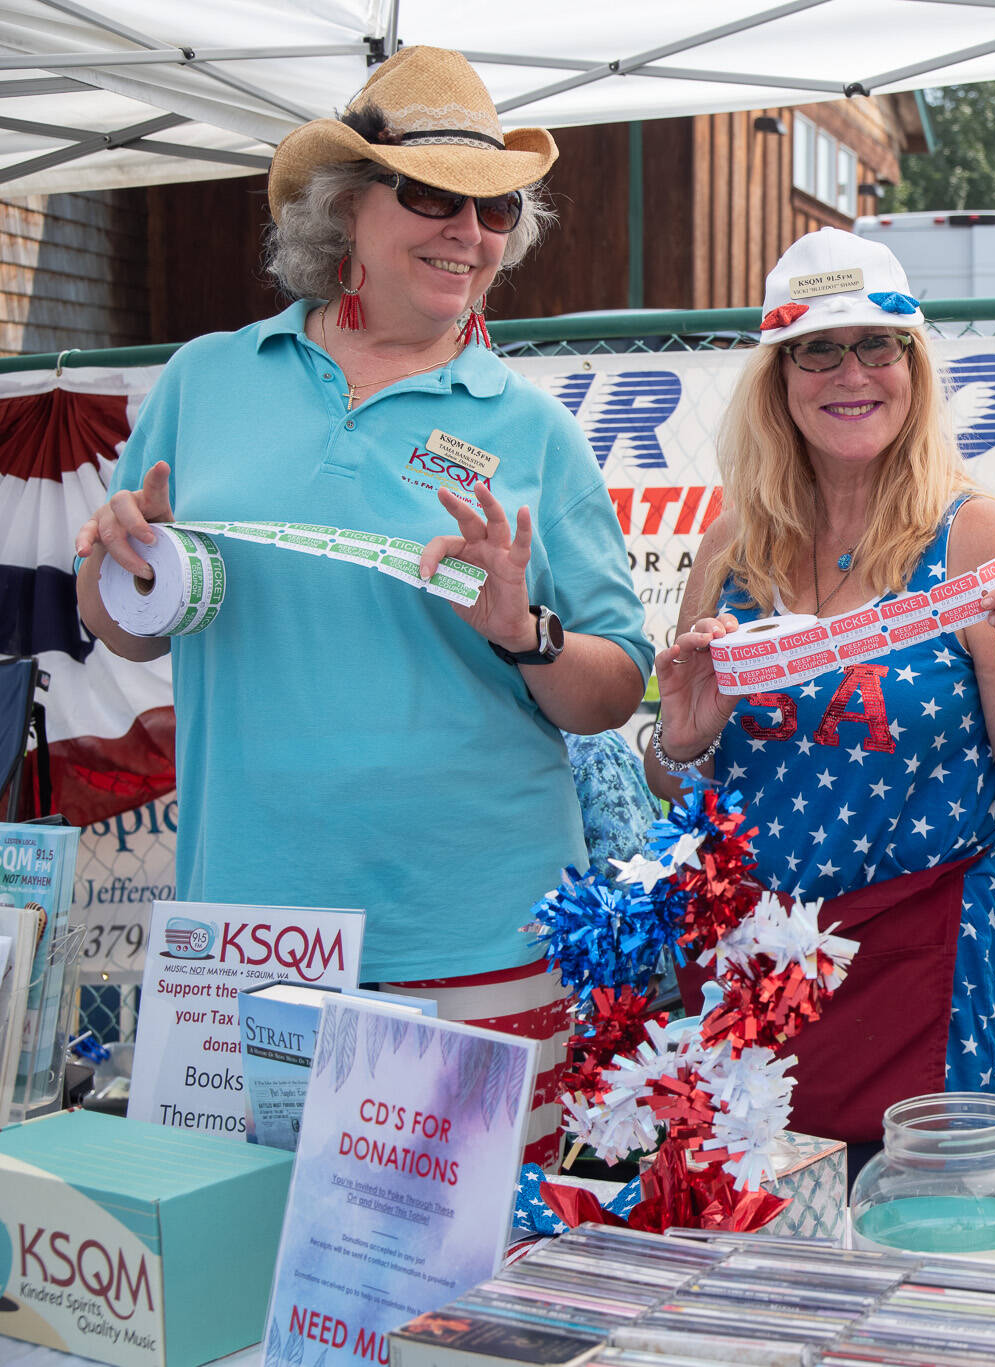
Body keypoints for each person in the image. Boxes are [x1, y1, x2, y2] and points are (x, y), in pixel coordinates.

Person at [72, 47, 652, 1165]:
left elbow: (613, 687)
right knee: (237, 1285)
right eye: (431, 196)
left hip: (474, 929)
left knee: (460, 1304)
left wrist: (522, 632)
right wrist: (121, 566)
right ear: (346, 208)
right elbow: (126, 622)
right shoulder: (206, 380)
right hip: (248, 926)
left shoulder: (533, 429)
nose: (466, 233)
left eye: (491, 211)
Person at [642, 227, 995, 1144]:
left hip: (928, 957)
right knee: (746, 1233)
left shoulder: (975, 536)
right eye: (818, 348)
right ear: (779, 376)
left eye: (876, 344)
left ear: (913, 364)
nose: (852, 373)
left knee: (922, 1246)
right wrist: (678, 741)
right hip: (751, 962)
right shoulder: (734, 542)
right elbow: (679, 774)